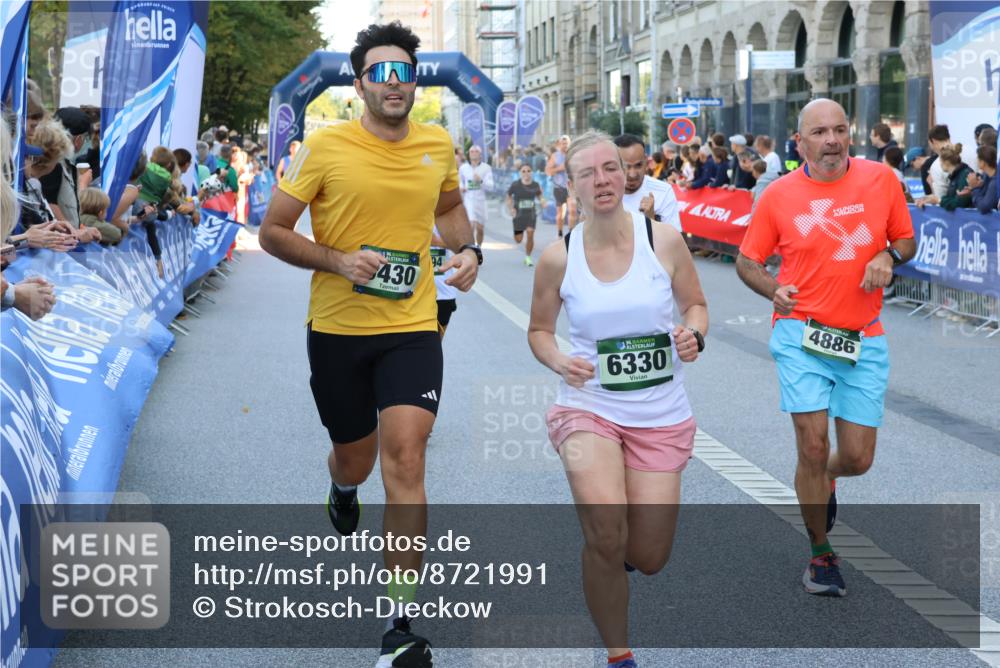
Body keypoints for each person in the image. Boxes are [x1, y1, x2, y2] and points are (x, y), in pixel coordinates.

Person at [257, 22, 481, 668]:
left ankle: (400, 622)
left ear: (416, 80)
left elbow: (449, 210)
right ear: (358, 85)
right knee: (354, 459)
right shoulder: (323, 148)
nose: (394, 82)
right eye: (379, 72)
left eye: (403, 71)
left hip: (412, 325)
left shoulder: (437, 144)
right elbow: (273, 231)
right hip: (337, 331)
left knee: (406, 459)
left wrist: (465, 251)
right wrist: (335, 260)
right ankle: (343, 485)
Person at [528, 130, 708, 668]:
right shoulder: (558, 258)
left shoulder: (664, 240)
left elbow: (696, 305)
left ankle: (616, 554)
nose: (604, 180)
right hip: (589, 408)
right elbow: (539, 331)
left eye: (611, 168)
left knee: (648, 556)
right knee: (606, 533)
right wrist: (559, 359)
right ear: (572, 185)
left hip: (660, 413)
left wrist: (692, 335)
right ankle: (618, 654)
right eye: (589, 173)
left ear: (627, 174)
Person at [735, 99, 916, 598]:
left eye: (839, 129)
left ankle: (827, 479)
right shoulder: (779, 195)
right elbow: (747, 261)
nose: (832, 139)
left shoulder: (881, 181)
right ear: (801, 143)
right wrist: (772, 288)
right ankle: (820, 555)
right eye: (819, 132)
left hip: (863, 336)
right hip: (801, 333)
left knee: (856, 459)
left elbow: (906, 240)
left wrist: (885, 253)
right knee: (812, 445)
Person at [613, 134, 682, 232]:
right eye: (625, 167)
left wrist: (650, 219)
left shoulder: (663, 191)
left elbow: (675, 242)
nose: (632, 174)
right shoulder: (602, 193)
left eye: (638, 165)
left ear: (646, 161)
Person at [39, 107, 92, 226]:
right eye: (85, 138)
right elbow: (49, 204)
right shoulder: (54, 165)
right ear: (78, 140)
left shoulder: (67, 166)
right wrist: (72, 232)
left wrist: (80, 228)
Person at [506, 163, 545, 266]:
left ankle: (528, 257)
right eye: (523, 171)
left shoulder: (535, 185)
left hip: (531, 213)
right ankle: (518, 235)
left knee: (530, 233)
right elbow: (509, 196)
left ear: (531, 173)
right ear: (520, 173)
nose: (526, 173)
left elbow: (540, 196)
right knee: (518, 240)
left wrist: (542, 201)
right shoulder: (515, 184)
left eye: (528, 171)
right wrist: (511, 208)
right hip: (518, 215)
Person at [459, 144, 493, 246]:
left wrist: (480, 180)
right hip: (468, 200)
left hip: (480, 201)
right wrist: (461, 187)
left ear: (480, 155)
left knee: (480, 229)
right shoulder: (463, 168)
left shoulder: (486, 168)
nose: (473, 153)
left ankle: (479, 247)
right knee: (471, 225)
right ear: (468, 154)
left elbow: (490, 186)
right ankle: (471, 249)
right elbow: (460, 181)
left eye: (476, 151)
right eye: (471, 151)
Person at [913, 124, 950, 198]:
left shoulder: (936, 166)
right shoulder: (968, 151)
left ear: (932, 141)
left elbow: (939, 198)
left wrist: (931, 184)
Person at [547, 134, 572, 237]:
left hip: (572, 187)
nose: (565, 145)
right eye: (563, 143)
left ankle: (571, 233)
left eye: (566, 143)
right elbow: (548, 171)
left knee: (573, 210)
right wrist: (559, 168)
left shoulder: (573, 154)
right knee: (561, 214)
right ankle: (560, 233)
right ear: (559, 144)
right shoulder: (555, 156)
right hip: (559, 187)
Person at [964, 145, 998, 214]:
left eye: (977, 159)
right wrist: (972, 190)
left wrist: (974, 188)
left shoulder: (995, 183)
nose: (976, 161)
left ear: (982, 162)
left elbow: (984, 207)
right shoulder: (986, 175)